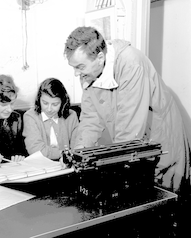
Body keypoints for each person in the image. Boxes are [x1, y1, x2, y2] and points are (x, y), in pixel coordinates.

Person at [63, 26, 190, 193]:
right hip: (137, 144)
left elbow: (129, 129)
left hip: (161, 142)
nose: (76, 73)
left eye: (79, 66)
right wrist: (78, 158)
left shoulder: (131, 63)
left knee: (164, 198)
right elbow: (89, 121)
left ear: (100, 57)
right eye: (74, 67)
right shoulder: (88, 73)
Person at [22, 77, 79, 160]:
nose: (49, 109)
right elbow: (36, 151)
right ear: (39, 100)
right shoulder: (30, 116)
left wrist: (69, 155)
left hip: (68, 164)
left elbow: (77, 147)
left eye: (55, 104)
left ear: (63, 103)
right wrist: (65, 153)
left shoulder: (71, 115)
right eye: (45, 103)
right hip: (42, 165)